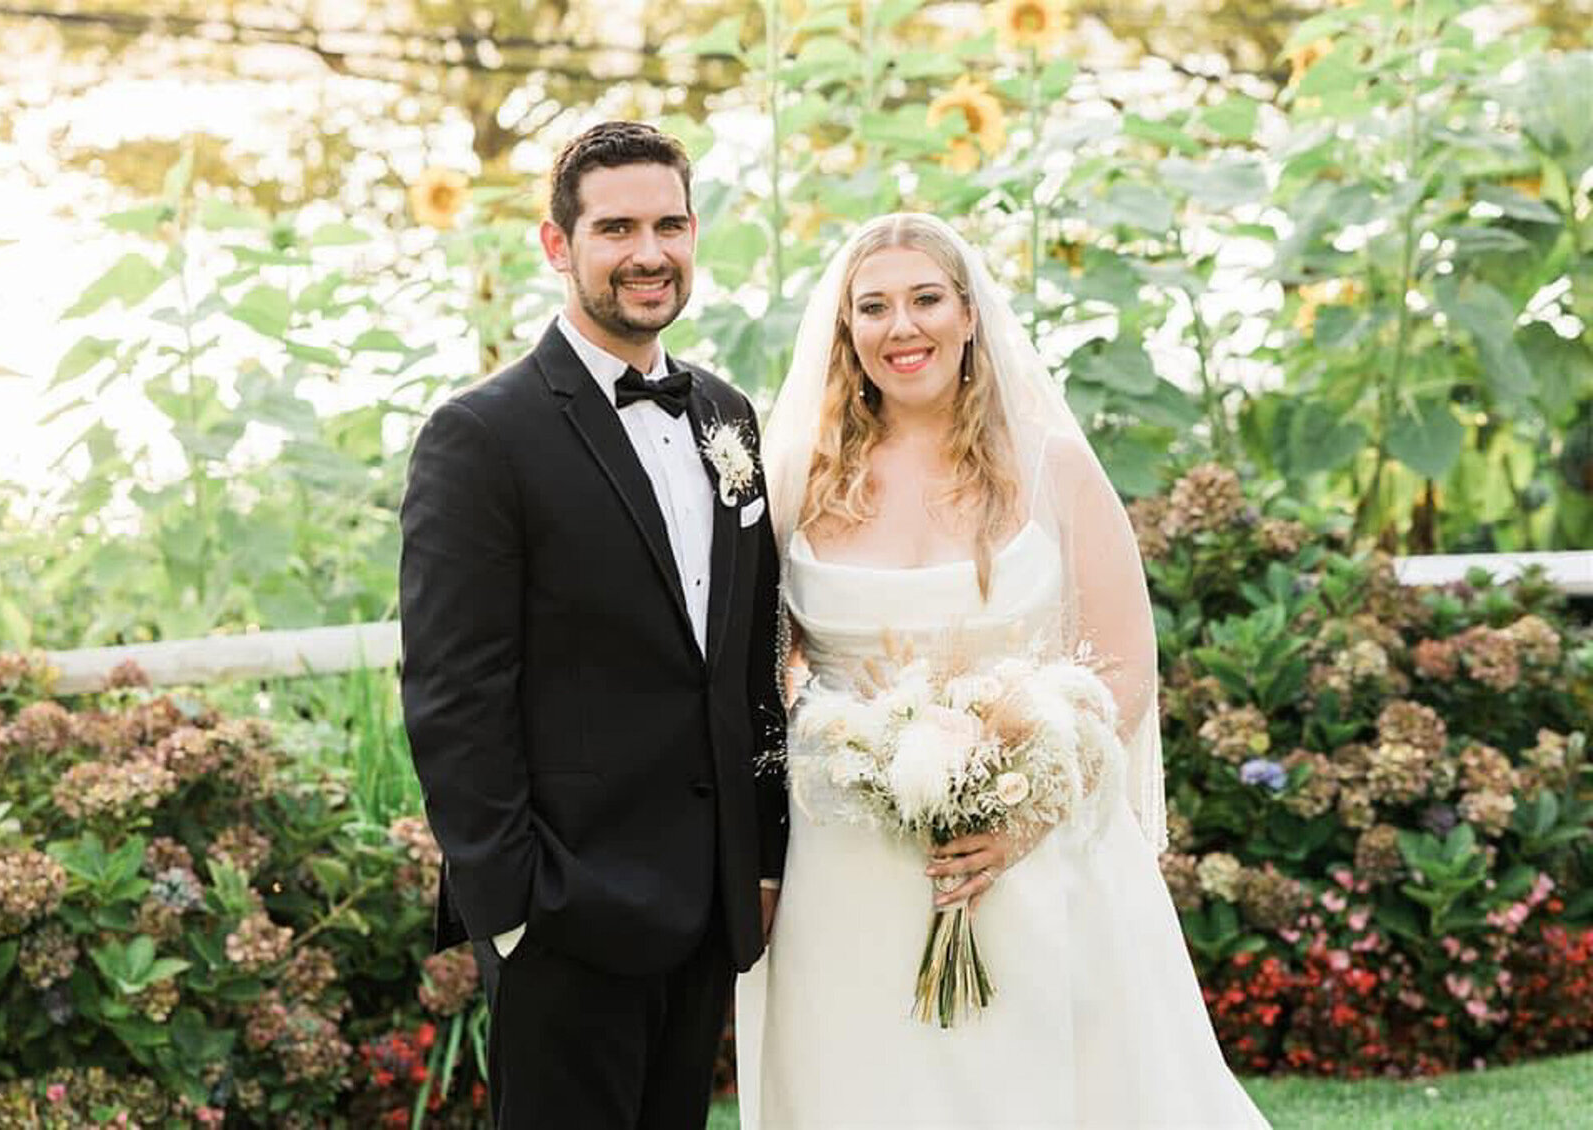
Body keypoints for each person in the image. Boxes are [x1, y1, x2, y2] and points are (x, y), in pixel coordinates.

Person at [736, 213, 1269, 1128]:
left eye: (925, 300)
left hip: (1039, 855)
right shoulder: (800, 481)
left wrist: (1023, 817)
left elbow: (1126, 667)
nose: (902, 328)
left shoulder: (1051, 466)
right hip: (848, 865)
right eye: (874, 307)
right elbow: (760, 674)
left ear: (970, 313)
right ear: (846, 328)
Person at [398, 120, 787, 1130]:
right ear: (556, 244)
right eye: (615, 227)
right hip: (566, 914)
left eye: (669, 224)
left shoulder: (726, 416)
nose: (648, 252)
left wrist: (764, 853)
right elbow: (452, 692)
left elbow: (746, 662)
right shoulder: (480, 436)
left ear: (695, 233)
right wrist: (514, 907)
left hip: (705, 903)